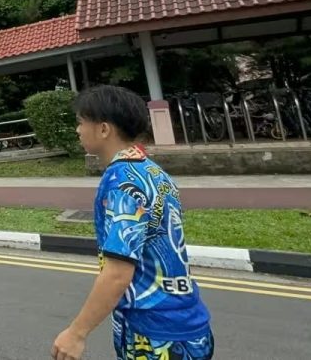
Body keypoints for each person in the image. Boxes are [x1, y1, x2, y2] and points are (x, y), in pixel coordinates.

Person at [52, 86, 213, 360]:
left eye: (80, 122)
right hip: (191, 325)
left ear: (103, 129)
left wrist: (76, 333)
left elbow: (117, 272)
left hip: (153, 337)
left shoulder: (122, 183)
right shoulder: (154, 171)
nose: (77, 130)